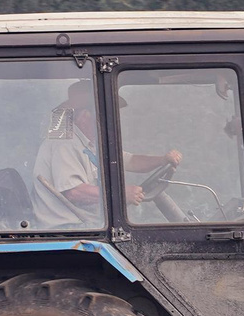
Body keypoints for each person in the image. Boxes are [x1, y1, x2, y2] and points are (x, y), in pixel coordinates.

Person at [29, 79, 181, 228]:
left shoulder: (92, 143)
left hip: (88, 225)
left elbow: (131, 161)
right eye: (104, 114)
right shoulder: (64, 143)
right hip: (67, 229)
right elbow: (73, 192)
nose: (111, 120)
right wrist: (120, 194)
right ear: (85, 116)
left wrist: (162, 160)